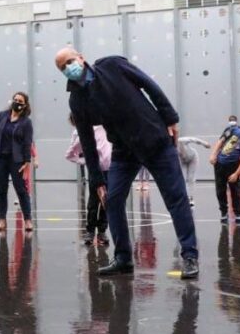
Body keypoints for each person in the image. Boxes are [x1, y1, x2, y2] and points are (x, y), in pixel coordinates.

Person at [55, 47, 200, 279]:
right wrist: (97, 179)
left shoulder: (112, 66)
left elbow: (149, 85)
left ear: (81, 58)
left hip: (154, 141)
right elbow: (87, 140)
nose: (68, 68)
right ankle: (123, 258)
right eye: (62, 68)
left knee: (176, 198)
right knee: (112, 201)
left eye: (70, 61)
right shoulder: (77, 99)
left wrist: (170, 117)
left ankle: (190, 255)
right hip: (123, 150)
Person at [0, 93, 35, 232]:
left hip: (17, 161)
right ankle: (2, 220)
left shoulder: (26, 122)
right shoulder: (2, 115)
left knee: (21, 190)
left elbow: (28, 142)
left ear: (25, 105)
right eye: (15, 100)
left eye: (20, 101)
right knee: (1, 190)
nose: (16, 102)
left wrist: (27, 161)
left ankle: (27, 220)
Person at [66, 114, 111, 245]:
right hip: (95, 170)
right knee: (94, 200)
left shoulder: (105, 126)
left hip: (110, 169)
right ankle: (90, 231)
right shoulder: (81, 131)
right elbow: (70, 154)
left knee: (106, 200)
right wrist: (85, 161)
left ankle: (102, 231)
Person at [176, 136, 210, 207]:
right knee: (182, 178)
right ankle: (183, 197)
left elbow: (194, 140)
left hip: (193, 158)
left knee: (190, 178)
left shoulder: (182, 140)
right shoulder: (170, 146)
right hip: (182, 161)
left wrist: (205, 144)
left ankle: (191, 198)